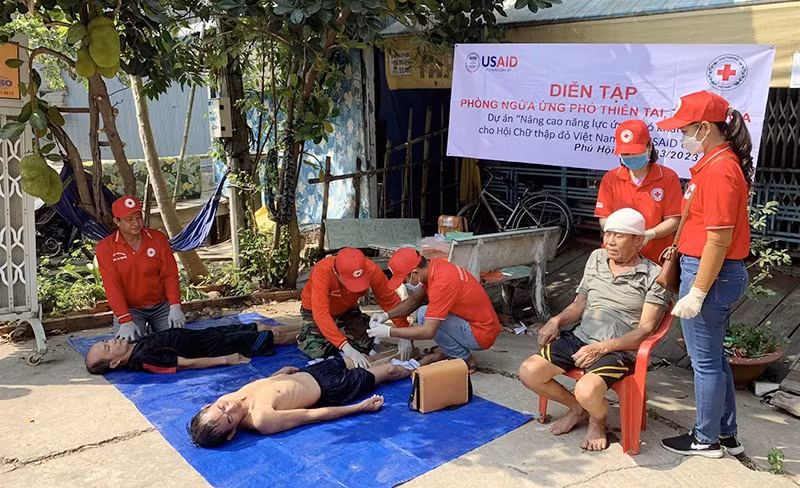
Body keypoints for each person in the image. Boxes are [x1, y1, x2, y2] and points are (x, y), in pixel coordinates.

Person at [518, 208, 668, 451]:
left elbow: (645, 330)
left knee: (586, 390)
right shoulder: (596, 258)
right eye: (607, 234)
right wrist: (556, 320)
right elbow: (579, 305)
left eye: (619, 236)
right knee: (528, 372)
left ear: (639, 240)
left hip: (616, 349)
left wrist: (602, 347)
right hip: (580, 337)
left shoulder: (654, 275)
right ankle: (577, 409)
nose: (609, 241)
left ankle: (598, 419)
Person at [657, 91, 752, 458]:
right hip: (710, 271)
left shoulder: (720, 170)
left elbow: (718, 240)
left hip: (711, 274)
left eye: (685, 129)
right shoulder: (715, 164)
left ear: (704, 128)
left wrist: (697, 291)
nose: (681, 136)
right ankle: (725, 434)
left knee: (706, 362)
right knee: (713, 357)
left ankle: (705, 438)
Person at [188, 357, 412, 446]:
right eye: (229, 418)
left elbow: (260, 387)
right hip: (331, 389)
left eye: (220, 407)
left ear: (207, 405)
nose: (231, 407)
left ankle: (409, 357)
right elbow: (311, 415)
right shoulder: (262, 419)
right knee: (389, 370)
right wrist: (359, 408)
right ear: (231, 433)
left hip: (310, 372)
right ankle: (422, 366)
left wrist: (277, 375)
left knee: (361, 359)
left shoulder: (225, 400)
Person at [367, 248, 502, 372]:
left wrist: (389, 332)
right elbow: (414, 300)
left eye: (404, 280)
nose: (404, 284)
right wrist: (386, 315)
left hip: (481, 334)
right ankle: (452, 350)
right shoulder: (434, 267)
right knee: (425, 312)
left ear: (414, 273)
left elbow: (428, 331)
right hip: (480, 325)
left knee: (425, 314)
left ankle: (464, 360)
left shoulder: (442, 283)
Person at [297, 247, 411, 368]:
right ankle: (308, 331)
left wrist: (405, 332)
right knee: (315, 350)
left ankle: (334, 329)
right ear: (337, 273)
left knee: (367, 343)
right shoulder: (322, 271)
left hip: (347, 310)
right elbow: (321, 313)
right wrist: (345, 347)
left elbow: (389, 300)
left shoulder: (371, 269)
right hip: (314, 310)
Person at [96, 196, 185, 342]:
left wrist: (175, 306)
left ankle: (155, 329)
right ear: (117, 221)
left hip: (161, 305)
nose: (136, 223)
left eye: (138, 217)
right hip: (131, 308)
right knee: (127, 346)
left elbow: (170, 275)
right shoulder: (105, 248)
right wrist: (124, 319)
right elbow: (112, 286)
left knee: (177, 341)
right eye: (129, 219)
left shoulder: (158, 239)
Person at [595, 119, 683, 264]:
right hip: (618, 257)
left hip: (656, 258)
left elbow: (673, 220)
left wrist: (649, 234)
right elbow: (604, 218)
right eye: (626, 154)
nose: (631, 157)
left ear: (649, 146)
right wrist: (623, 236)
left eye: (635, 152)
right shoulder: (611, 178)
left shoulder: (668, 177)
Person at [84, 322, 302, 374]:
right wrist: (228, 359)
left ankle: (315, 323)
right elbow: (187, 364)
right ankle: (319, 334)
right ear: (114, 362)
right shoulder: (143, 359)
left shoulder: (134, 345)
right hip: (217, 347)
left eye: (106, 341)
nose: (112, 341)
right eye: (107, 347)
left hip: (210, 334)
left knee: (264, 326)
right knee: (274, 336)